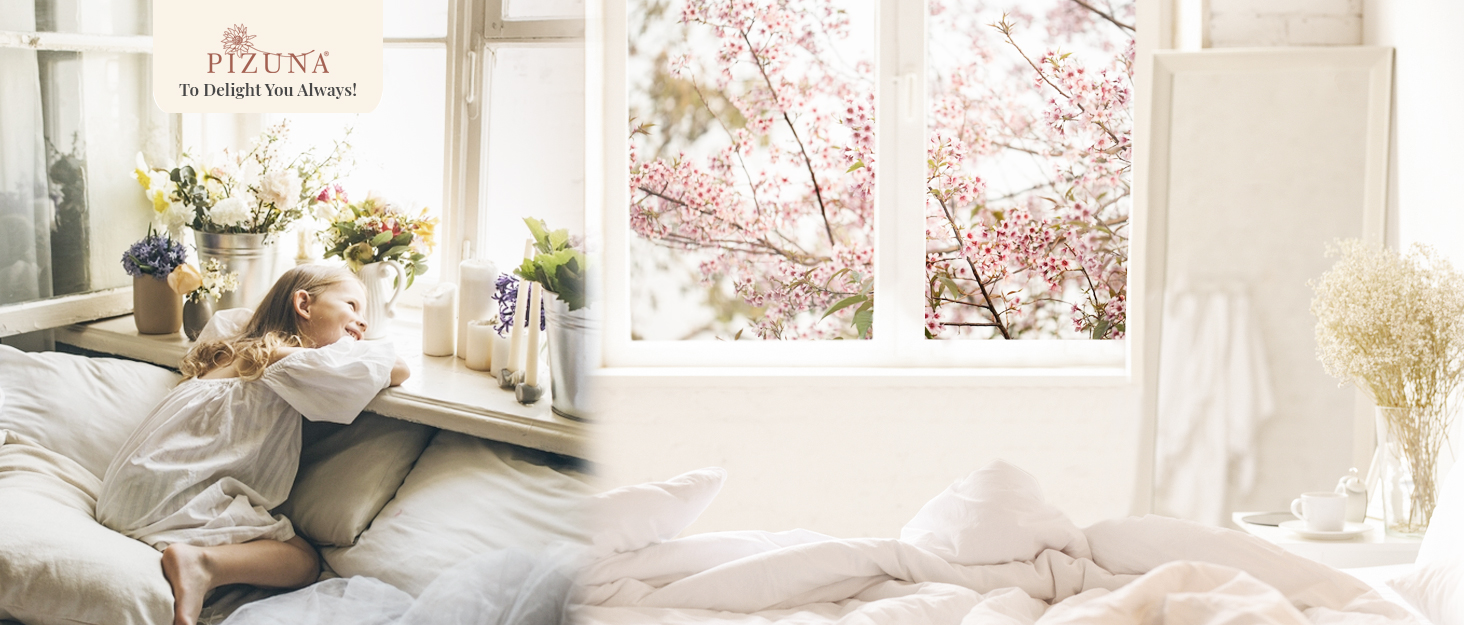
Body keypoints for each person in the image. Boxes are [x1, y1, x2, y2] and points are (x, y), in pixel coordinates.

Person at [96, 263, 410, 625]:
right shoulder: (287, 363)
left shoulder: (231, 352)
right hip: (166, 499)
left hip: (121, 496)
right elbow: (396, 368)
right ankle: (201, 563)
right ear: (303, 305)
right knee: (303, 561)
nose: (363, 321)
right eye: (352, 306)